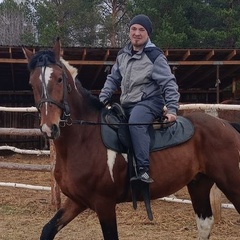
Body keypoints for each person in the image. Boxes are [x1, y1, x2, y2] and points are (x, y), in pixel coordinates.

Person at [99, 14, 180, 183]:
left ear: (148, 33)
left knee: (135, 122)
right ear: (129, 32)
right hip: (127, 103)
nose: (137, 33)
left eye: (141, 30)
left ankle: (143, 169)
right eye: (133, 29)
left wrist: (172, 108)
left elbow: (169, 83)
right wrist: (103, 97)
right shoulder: (122, 55)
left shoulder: (154, 56)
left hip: (150, 102)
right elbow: (113, 78)